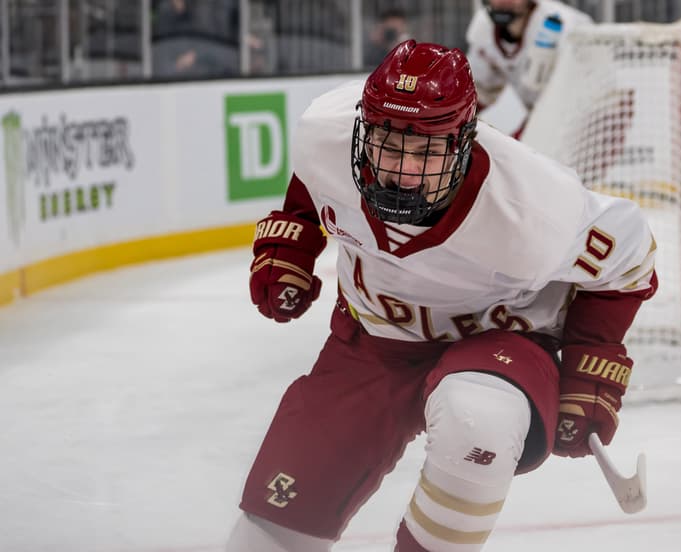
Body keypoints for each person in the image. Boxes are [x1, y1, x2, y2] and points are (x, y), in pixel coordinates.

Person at [225, 40, 658, 552]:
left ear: (463, 143)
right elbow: (316, 181)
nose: (402, 170)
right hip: (372, 340)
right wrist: (294, 241)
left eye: (425, 150)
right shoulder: (327, 129)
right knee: (271, 532)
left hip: (503, 345)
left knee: (479, 417)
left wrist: (593, 362)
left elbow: (629, 255)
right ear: (364, 129)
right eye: (388, 144)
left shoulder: (532, 207)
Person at [465, 0, 593, 138]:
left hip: (586, 116)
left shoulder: (567, 26)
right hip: (541, 114)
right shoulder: (484, 26)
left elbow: (584, 94)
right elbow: (481, 91)